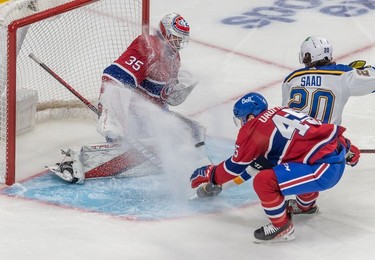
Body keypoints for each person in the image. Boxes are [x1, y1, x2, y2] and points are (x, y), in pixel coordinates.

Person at [49, 12, 207, 184]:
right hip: (130, 116)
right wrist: (114, 116)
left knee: (193, 130)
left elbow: (162, 95)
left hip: (152, 118)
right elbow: (113, 78)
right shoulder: (149, 47)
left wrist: (177, 91)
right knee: (120, 94)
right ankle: (112, 129)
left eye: (181, 39)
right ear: (165, 33)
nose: (179, 43)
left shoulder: (174, 57)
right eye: (175, 38)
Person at [190, 92, 359, 243]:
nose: (241, 124)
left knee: (264, 181)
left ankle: (282, 227)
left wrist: (210, 174)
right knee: (292, 166)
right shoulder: (282, 111)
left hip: (324, 169)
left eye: (241, 119)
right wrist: (348, 148)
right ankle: (305, 206)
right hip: (332, 156)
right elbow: (319, 131)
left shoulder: (253, 129)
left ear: (249, 117)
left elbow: (234, 167)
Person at [282, 35, 375, 126]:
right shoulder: (342, 75)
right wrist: (361, 71)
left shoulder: (291, 79)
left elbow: (284, 115)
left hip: (296, 138)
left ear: (308, 55)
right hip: (326, 139)